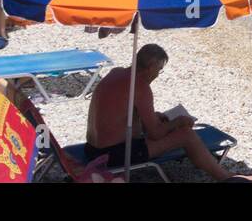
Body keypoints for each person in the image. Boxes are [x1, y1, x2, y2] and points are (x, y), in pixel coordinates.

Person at [86, 44, 232, 179]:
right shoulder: (140, 87)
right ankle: (227, 178)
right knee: (186, 134)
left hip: (91, 150)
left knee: (166, 126)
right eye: (159, 69)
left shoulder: (116, 73)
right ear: (150, 67)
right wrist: (178, 122)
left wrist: (155, 118)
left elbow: (121, 115)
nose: (157, 75)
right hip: (112, 155)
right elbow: (156, 134)